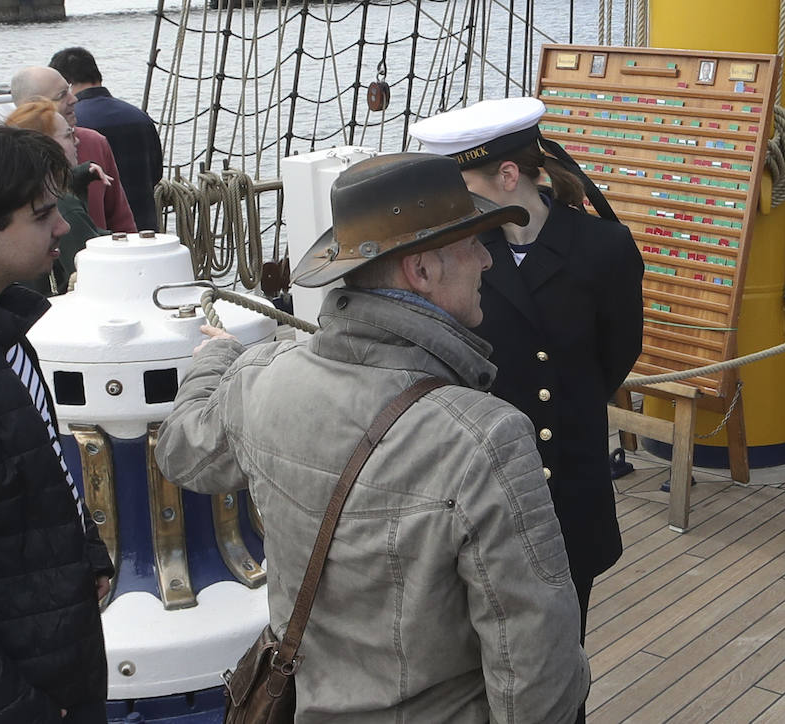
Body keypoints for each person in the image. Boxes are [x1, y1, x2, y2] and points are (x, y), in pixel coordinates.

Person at [154, 152, 590, 721]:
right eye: (473, 244)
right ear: (422, 270)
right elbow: (537, 678)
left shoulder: (260, 377)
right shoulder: (484, 439)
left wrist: (216, 360)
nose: (487, 260)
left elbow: (182, 452)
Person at [410, 99, 644, 668]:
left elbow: (616, 358)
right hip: (477, 493)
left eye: (461, 185)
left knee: (559, 660)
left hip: (565, 488)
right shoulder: (456, 254)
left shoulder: (604, 250)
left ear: (507, 176)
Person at [0, 117, 114, 723]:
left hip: (54, 664)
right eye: (42, 215)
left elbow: (32, 458)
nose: (64, 225)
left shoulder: (2, 326)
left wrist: (84, 551)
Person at [48, 47, 163, 232]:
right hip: (145, 229)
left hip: (97, 236)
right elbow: (156, 174)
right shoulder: (140, 117)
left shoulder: (68, 126)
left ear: (66, 82)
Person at [9, 66, 135, 234]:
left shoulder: (94, 142)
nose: (74, 99)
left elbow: (120, 218)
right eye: (62, 95)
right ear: (34, 108)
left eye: (69, 89)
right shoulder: (9, 161)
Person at [5, 100, 112, 294]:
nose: (77, 140)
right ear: (45, 145)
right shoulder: (61, 203)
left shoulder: (18, 192)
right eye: (69, 135)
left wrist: (79, 176)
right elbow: (95, 271)